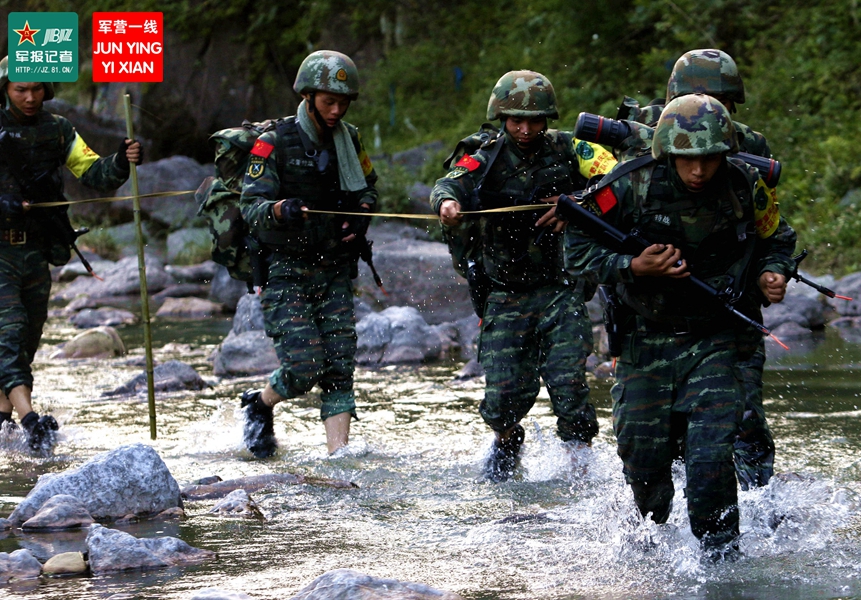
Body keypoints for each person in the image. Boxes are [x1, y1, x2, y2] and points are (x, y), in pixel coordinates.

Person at [560, 94, 797, 555]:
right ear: (668, 151)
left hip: (714, 339)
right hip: (644, 341)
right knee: (645, 471)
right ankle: (649, 555)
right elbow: (577, 250)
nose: (698, 171)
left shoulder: (746, 185)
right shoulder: (629, 185)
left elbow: (778, 237)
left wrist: (775, 272)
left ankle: (721, 563)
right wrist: (634, 265)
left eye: (709, 158)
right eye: (687, 159)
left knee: (710, 463)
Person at [430, 70, 616, 482]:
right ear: (502, 116)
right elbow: (449, 184)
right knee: (501, 399)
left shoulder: (571, 148)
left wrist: (578, 202)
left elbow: (619, 177)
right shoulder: (485, 154)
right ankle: (508, 438)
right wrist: (447, 204)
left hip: (560, 289)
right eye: (517, 120)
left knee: (570, 386)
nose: (526, 129)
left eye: (534, 120)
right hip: (505, 292)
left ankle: (579, 476)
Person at [238, 50, 377, 458]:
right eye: (328, 102)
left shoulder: (350, 140)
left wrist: (362, 215)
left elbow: (368, 188)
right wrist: (280, 209)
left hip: (333, 267)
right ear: (308, 96)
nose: (336, 110)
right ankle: (260, 404)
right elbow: (250, 207)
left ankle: (339, 460)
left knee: (339, 369)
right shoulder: (273, 142)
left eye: (343, 102)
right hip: (285, 271)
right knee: (303, 367)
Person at [0, 56, 142, 452]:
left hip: (36, 253)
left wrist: (121, 160)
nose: (30, 97)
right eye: (20, 89)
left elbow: (94, 172)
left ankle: (3, 427)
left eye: (37, 89)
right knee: (7, 339)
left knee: (25, 343)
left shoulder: (59, 130)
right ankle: (32, 423)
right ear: (5, 90)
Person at [665, 49, 775, 489]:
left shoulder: (752, 150)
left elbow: (769, 226)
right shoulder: (657, 138)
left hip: (734, 303)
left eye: (721, 104)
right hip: (666, 308)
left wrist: (773, 269)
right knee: (670, 427)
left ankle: (757, 498)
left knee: (744, 414)